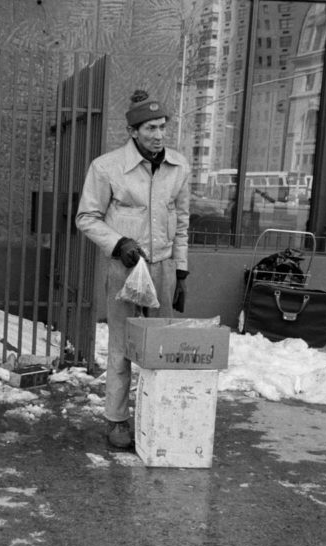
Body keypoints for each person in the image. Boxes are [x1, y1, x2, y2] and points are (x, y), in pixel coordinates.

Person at [75, 90, 190, 449]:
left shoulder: (179, 167)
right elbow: (86, 217)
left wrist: (181, 272)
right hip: (126, 269)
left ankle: (161, 413)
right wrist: (118, 243)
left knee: (163, 347)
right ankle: (117, 419)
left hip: (164, 268)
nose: (158, 135)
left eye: (162, 127)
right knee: (122, 346)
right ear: (133, 131)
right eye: (150, 128)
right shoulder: (106, 167)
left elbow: (183, 221)